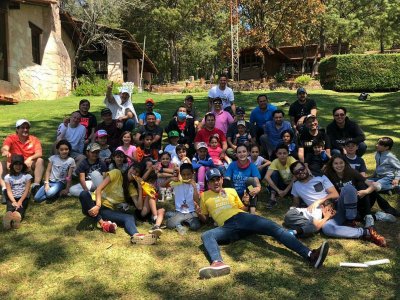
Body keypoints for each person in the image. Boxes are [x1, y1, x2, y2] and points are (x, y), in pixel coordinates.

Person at [197, 168, 330, 279]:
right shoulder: (204, 196)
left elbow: (243, 208)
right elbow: (206, 219)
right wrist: (199, 213)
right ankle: (217, 263)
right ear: (208, 183)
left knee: (275, 228)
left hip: (242, 218)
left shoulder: (231, 191)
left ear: (221, 179)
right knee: (207, 235)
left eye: (218, 179)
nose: (216, 182)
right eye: (212, 180)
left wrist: (246, 202)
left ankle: (310, 255)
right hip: (228, 227)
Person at [290, 161, 386, 247]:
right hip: (325, 215)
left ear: (306, 168)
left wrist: (318, 201)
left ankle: (350, 220)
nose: (300, 172)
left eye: (301, 169)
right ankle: (366, 232)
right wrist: (293, 210)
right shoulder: (296, 185)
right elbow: (295, 203)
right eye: (296, 172)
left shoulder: (320, 178)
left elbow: (335, 194)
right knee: (327, 228)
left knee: (348, 188)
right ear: (294, 175)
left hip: (337, 205)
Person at [78, 164, 160, 244]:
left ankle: (136, 235)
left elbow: (139, 207)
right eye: (133, 168)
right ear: (129, 168)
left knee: (129, 217)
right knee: (84, 194)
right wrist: (97, 206)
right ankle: (102, 223)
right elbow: (99, 189)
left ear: (138, 176)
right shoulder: (116, 173)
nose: (134, 172)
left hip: (106, 210)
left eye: (137, 172)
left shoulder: (131, 188)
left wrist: (140, 188)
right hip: (92, 204)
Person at [324, 155, 396, 227]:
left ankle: (368, 215)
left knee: (362, 184)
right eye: (336, 163)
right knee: (350, 217)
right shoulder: (328, 175)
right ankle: (376, 216)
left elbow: (372, 184)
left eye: (341, 163)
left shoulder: (351, 172)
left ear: (345, 163)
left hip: (357, 201)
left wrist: (366, 192)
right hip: (341, 203)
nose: (339, 165)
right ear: (332, 165)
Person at [1, 119, 44, 195]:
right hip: (13, 167)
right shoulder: (11, 138)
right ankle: (4, 189)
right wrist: (5, 151)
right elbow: (5, 147)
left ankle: (36, 185)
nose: (25, 129)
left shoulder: (34, 139)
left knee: (40, 160)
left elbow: (39, 153)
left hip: (28, 167)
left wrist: (30, 158)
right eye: (22, 127)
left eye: (27, 128)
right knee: (1, 164)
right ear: (17, 129)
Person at [164, 163, 201, 235]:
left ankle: (179, 221)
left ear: (193, 174)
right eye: (183, 175)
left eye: (188, 174)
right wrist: (171, 179)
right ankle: (180, 224)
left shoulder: (196, 185)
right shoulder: (177, 184)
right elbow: (162, 186)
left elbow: (197, 200)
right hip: (180, 211)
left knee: (195, 226)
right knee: (169, 222)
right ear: (180, 174)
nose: (186, 177)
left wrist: (195, 188)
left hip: (191, 212)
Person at [225, 144, 261, 214]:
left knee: (250, 180)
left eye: (244, 151)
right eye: (239, 152)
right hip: (234, 193)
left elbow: (257, 184)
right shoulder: (232, 165)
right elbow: (227, 178)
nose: (242, 154)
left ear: (248, 153)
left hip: (247, 193)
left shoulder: (252, 166)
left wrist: (257, 189)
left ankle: (252, 208)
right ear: (236, 154)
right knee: (226, 181)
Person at [2, 155, 32, 230]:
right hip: (11, 196)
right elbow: (8, 190)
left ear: (23, 165)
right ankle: (8, 218)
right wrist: (14, 201)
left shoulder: (27, 176)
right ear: (12, 166)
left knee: (21, 208)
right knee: (10, 207)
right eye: (16, 164)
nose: (18, 166)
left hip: (23, 197)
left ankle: (17, 218)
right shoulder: (7, 177)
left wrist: (20, 201)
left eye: (20, 164)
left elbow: (26, 190)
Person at [264, 144, 297, 208]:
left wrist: (286, 191)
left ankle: (296, 199)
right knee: (274, 173)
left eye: (284, 153)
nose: (282, 155)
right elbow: (266, 177)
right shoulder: (275, 161)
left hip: (291, 185)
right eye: (280, 153)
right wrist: (278, 190)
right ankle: (272, 198)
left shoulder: (291, 160)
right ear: (276, 154)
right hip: (281, 184)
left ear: (288, 154)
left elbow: (295, 176)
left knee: (297, 176)